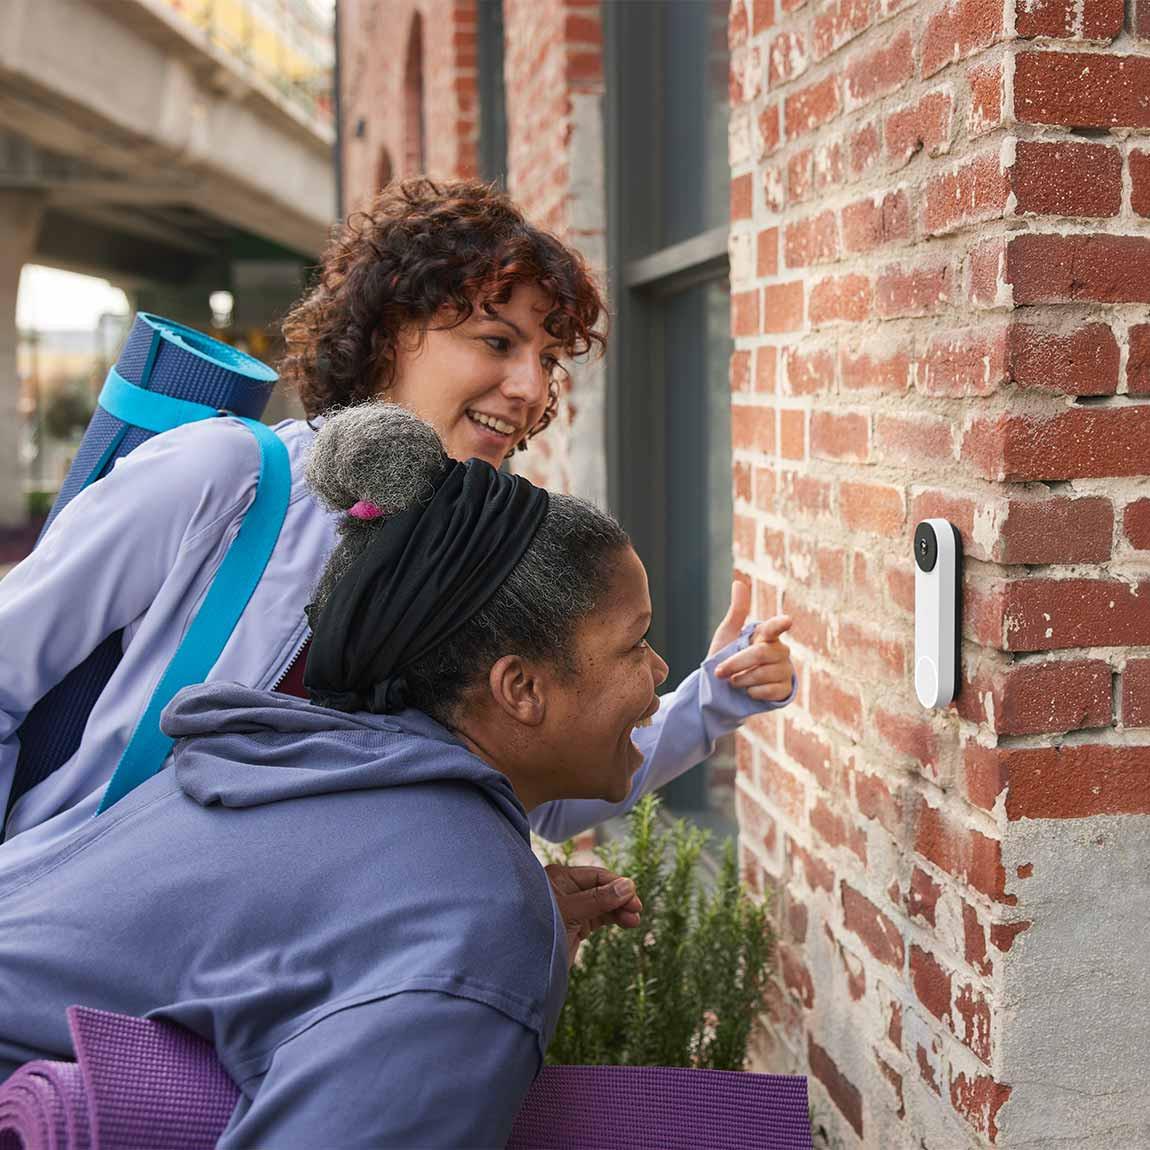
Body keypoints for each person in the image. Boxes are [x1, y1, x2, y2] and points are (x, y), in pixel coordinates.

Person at [0, 178, 796, 871]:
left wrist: (709, 702)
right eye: (497, 341)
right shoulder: (226, 477)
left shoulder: (478, 560)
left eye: (549, 359)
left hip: (263, 987)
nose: (529, 387)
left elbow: (537, 792)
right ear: (390, 333)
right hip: (74, 940)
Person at [2, 403, 697, 1146]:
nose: (660, 674)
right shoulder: (469, 915)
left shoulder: (306, 761)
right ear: (520, 689)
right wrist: (481, 958)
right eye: (636, 644)